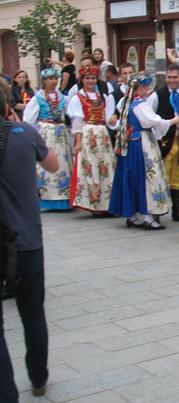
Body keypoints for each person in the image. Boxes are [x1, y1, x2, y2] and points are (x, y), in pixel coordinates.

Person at [0, 89, 59, 402]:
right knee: (33, 314)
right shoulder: (25, 133)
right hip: (25, 241)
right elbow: (53, 165)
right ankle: (38, 378)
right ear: (8, 107)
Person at [109, 74, 179, 230]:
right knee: (147, 177)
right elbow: (153, 121)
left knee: (132, 176)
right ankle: (148, 216)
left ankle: (133, 215)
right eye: (146, 87)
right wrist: (173, 121)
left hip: (129, 143)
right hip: (143, 143)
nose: (148, 89)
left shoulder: (125, 102)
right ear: (140, 88)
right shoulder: (141, 105)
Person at [146, 64, 179, 222]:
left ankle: (177, 211)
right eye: (169, 77)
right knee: (160, 177)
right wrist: (156, 136)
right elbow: (148, 118)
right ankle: (158, 211)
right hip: (163, 143)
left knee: (178, 177)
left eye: (175, 77)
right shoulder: (157, 95)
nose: (172, 80)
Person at [67, 65, 118, 214]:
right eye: (87, 78)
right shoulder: (77, 98)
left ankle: (107, 203)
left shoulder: (103, 96)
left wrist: (114, 120)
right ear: (82, 80)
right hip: (88, 133)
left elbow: (108, 118)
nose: (90, 81)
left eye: (93, 78)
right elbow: (77, 121)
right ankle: (93, 203)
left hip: (102, 134)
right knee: (91, 167)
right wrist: (77, 140)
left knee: (106, 166)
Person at [23, 68, 73, 211]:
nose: (53, 81)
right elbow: (29, 119)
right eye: (50, 78)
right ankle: (44, 199)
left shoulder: (63, 97)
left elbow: (70, 113)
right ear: (44, 81)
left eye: (55, 78)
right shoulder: (37, 98)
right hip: (45, 132)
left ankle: (63, 197)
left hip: (60, 132)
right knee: (44, 164)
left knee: (62, 163)